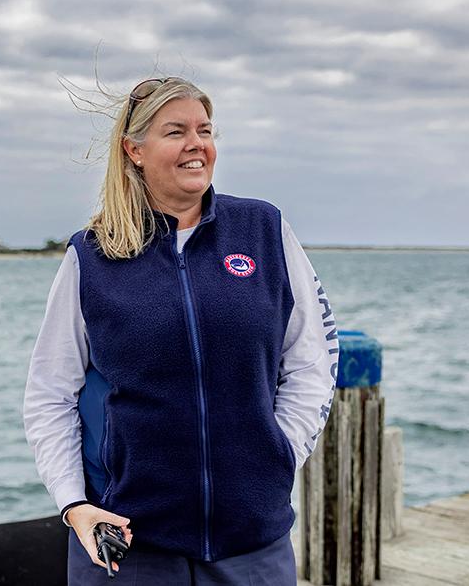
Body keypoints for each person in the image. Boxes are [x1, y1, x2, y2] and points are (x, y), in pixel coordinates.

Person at [23, 76, 339, 584]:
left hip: (251, 543)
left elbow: (311, 358)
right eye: (175, 132)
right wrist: (74, 503)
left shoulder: (264, 230)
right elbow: (51, 393)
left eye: (205, 129)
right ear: (135, 150)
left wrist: (279, 455)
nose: (197, 144)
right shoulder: (93, 255)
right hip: (125, 546)